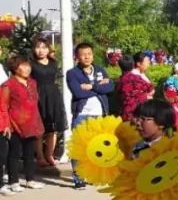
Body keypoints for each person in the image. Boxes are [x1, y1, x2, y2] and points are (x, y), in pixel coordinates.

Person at [66, 42, 114, 189]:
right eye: (83, 54)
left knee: (97, 148)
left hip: (99, 114)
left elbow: (110, 87)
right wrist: (100, 87)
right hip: (82, 114)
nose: (87, 57)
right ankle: (79, 178)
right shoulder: (72, 73)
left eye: (89, 54)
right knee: (79, 147)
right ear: (77, 57)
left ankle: (93, 175)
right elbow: (78, 93)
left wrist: (92, 86)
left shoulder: (100, 70)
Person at [2, 55, 46, 190]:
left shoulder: (33, 83)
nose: (27, 68)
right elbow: (3, 105)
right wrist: (6, 125)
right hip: (14, 124)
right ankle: (13, 182)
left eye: (28, 65)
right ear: (15, 68)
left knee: (29, 153)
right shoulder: (8, 85)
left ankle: (30, 179)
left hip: (32, 123)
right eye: (23, 66)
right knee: (14, 154)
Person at [30, 37, 67, 167]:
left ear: (48, 49)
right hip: (38, 96)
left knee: (53, 129)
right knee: (39, 130)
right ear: (34, 49)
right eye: (38, 47)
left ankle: (49, 155)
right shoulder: (31, 64)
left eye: (44, 47)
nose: (41, 50)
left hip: (53, 96)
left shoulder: (53, 63)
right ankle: (40, 157)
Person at [116, 52, 156, 123]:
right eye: (147, 61)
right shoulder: (135, 77)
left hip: (125, 113)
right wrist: (146, 96)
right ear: (137, 63)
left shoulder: (120, 79)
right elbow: (151, 89)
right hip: (136, 113)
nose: (149, 63)